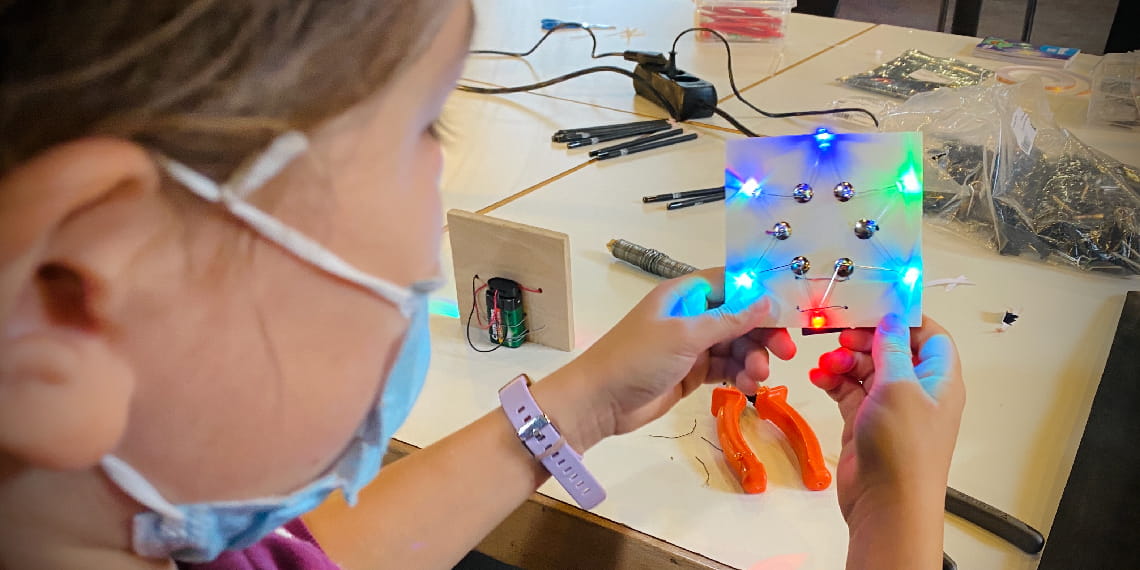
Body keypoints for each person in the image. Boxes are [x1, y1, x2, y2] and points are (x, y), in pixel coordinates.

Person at [0, 1, 965, 568]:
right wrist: (895, 519)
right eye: (422, 126)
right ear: (75, 286)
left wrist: (583, 404)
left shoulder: (156, 526)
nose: (441, 176)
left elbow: (317, 558)